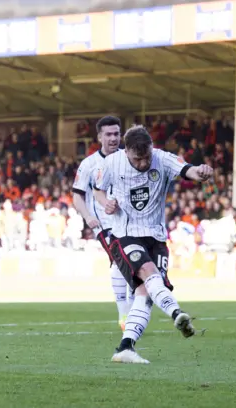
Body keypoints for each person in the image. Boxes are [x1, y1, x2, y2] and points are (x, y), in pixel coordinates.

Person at [95, 125, 213, 364]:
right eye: (138, 159)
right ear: (126, 152)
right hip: (124, 234)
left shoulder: (161, 158)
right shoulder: (111, 163)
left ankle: (125, 347)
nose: (144, 163)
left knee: (145, 293)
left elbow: (187, 169)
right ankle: (177, 313)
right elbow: (97, 190)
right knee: (149, 273)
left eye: (147, 157)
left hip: (156, 236)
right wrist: (106, 202)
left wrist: (200, 171)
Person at [72, 116, 133, 332]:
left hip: (130, 222)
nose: (113, 138)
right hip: (104, 225)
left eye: (117, 134)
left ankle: (134, 312)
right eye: (108, 134)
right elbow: (77, 196)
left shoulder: (129, 158)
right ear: (99, 137)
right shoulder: (89, 164)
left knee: (135, 266)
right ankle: (124, 314)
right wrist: (89, 217)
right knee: (119, 263)